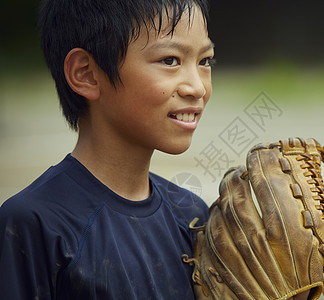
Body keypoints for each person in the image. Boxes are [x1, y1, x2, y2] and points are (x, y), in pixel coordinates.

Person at [0, 0, 213, 299]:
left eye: (205, 61)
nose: (198, 87)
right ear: (86, 73)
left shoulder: (192, 215)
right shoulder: (34, 225)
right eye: (169, 60)